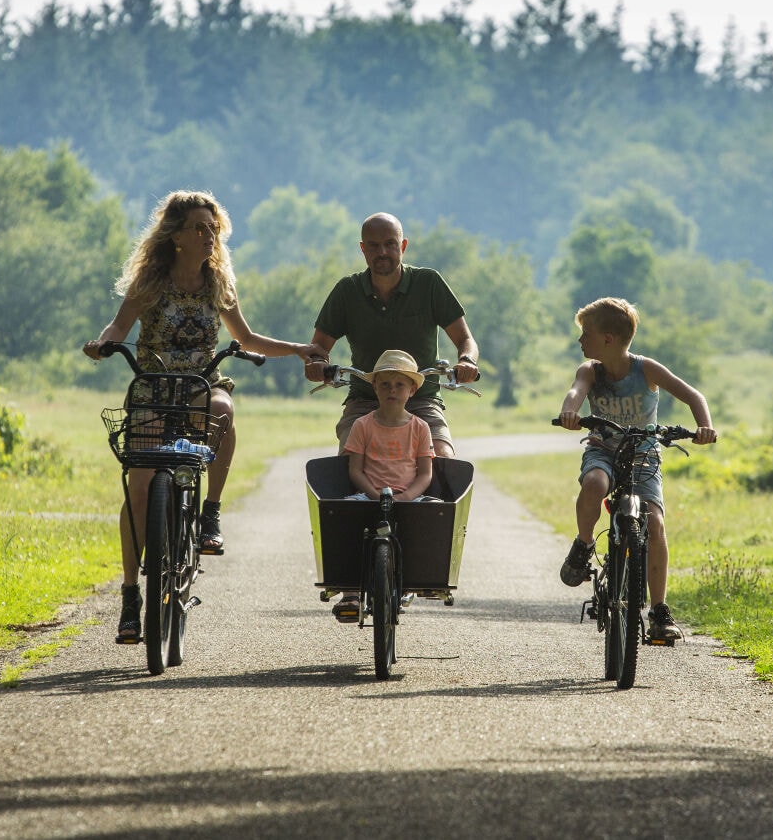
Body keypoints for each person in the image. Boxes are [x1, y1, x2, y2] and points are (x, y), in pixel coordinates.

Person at [83, 190, 323, 643]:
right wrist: (103, 343)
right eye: (199, 227)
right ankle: (132, 597)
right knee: (138, 489)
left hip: (198, 387)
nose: (208, 235)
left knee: (223, 409)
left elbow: (247, 339)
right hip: (152, 388)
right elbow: (119, 326)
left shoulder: (218, 285)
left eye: (214, 228)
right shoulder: (150, 283)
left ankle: (210, 511)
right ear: (176, 236)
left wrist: (296, 350)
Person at [555, 297, 717, 642]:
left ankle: (658, 611)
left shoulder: (647, 370)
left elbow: (693, 396)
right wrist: (570, 411)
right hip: (604, 450)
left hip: (644, 455)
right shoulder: (590, 371)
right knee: (594, 484)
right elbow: (576, 392)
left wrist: (704, 426)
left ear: (608, 339)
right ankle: (584, 544)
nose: (580, 341)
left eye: (586, 334)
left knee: (655, 524)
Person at [304, 212, 479, 458]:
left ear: (403, 246)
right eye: (374, 246)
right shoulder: (348, 291)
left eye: (390, 244)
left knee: (443, 458)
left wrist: (467, 361)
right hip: (365, 401)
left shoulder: (428, 283)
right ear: (363, 249)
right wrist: (317, 365)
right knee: (345, 464)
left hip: (421, 400)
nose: (382, 252)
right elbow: (318, 349)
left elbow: (465, 340)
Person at [333, 349, 437, 622]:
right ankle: (347, 584)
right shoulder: (362, 425)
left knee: (436, 513)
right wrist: (374, 493)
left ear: (412, 390)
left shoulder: (420, 427)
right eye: (385, 384)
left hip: (408, 497)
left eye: (399, 384)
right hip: (369, 494)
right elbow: (355, 470)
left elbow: (425, 474)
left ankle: (426, 573)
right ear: (375, 388)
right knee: (343, 512)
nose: (392, 390)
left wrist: (407, 496)